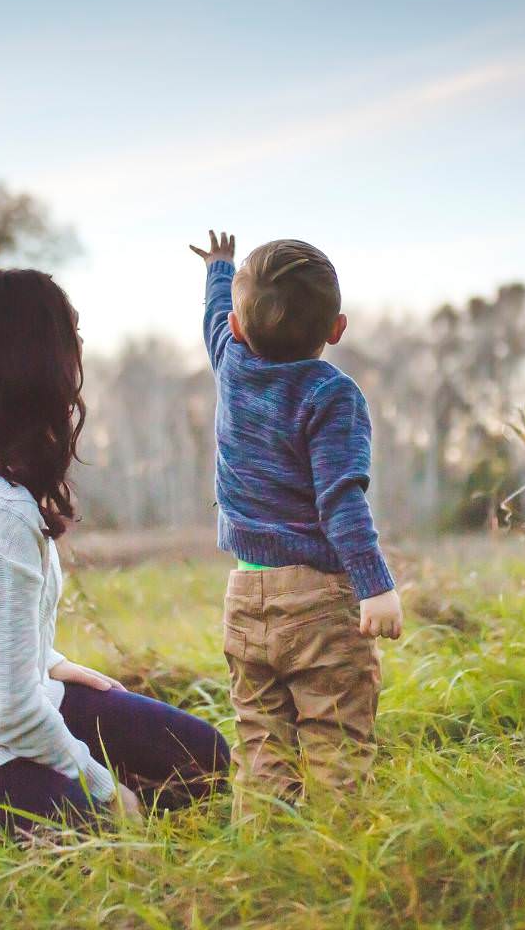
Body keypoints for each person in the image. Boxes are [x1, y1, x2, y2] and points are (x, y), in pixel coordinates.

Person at [0, 268, 229, 839]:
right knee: (99, 834)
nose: (79, 355)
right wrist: (105, 791)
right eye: (70, 339)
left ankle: (40, 798)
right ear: (36, 365)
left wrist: (47, 664)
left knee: (203, 758)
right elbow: (11, 711)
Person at [189, 230, 404, 805]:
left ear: (236, 328)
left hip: (246, 592)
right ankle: (338, 865)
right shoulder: (332, 395)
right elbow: (340, 498)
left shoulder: (231, 363)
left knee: (260, 744)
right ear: (337, 330)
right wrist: (375, 585)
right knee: (336, 741)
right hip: (318, 602)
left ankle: (261, 868)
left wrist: (219, 268)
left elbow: (215, 317)